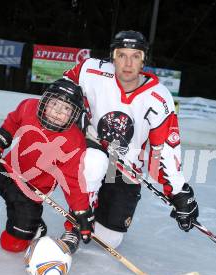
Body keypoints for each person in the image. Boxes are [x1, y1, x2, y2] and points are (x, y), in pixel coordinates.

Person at [64, 30, 199, 248]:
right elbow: (61, 91)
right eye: (122, 55)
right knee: (94, 163)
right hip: (94, 148)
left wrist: (178, 192)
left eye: (135, 56)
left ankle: (95, 206)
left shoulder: (159, 98)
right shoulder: (90, 71)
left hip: (126, 167)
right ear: (112, 56)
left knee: (110, 240)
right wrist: (74, 114)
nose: (128, 63)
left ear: (144, 59)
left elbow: (165, 149)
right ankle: (74, 226)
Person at [0, 79, 94, 254]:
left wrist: (81, 211)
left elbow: (73, 181)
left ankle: (34, 227)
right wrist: (1, 139)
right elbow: (13, 122)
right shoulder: (29, 107)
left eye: (67, 109)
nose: (58, 112)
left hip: (31, 190)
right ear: (45, 100)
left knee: (12, 245)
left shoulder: (74, 140)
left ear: (74, 115)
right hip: (7, 170)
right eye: (54, 103)